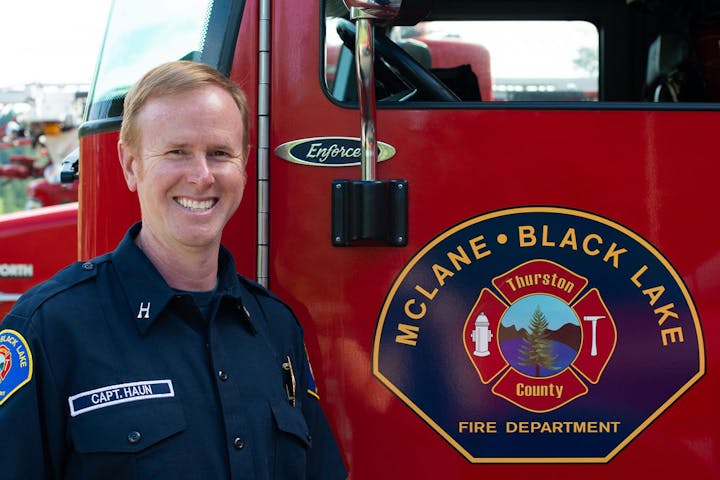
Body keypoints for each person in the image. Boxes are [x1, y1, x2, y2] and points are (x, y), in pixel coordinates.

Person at [0, 60, 347, 479]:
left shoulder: (276, 327)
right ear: (131, 165)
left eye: (219, 154)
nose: (201, 176)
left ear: (244, 165)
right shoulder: (50, 329)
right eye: (177, 152)